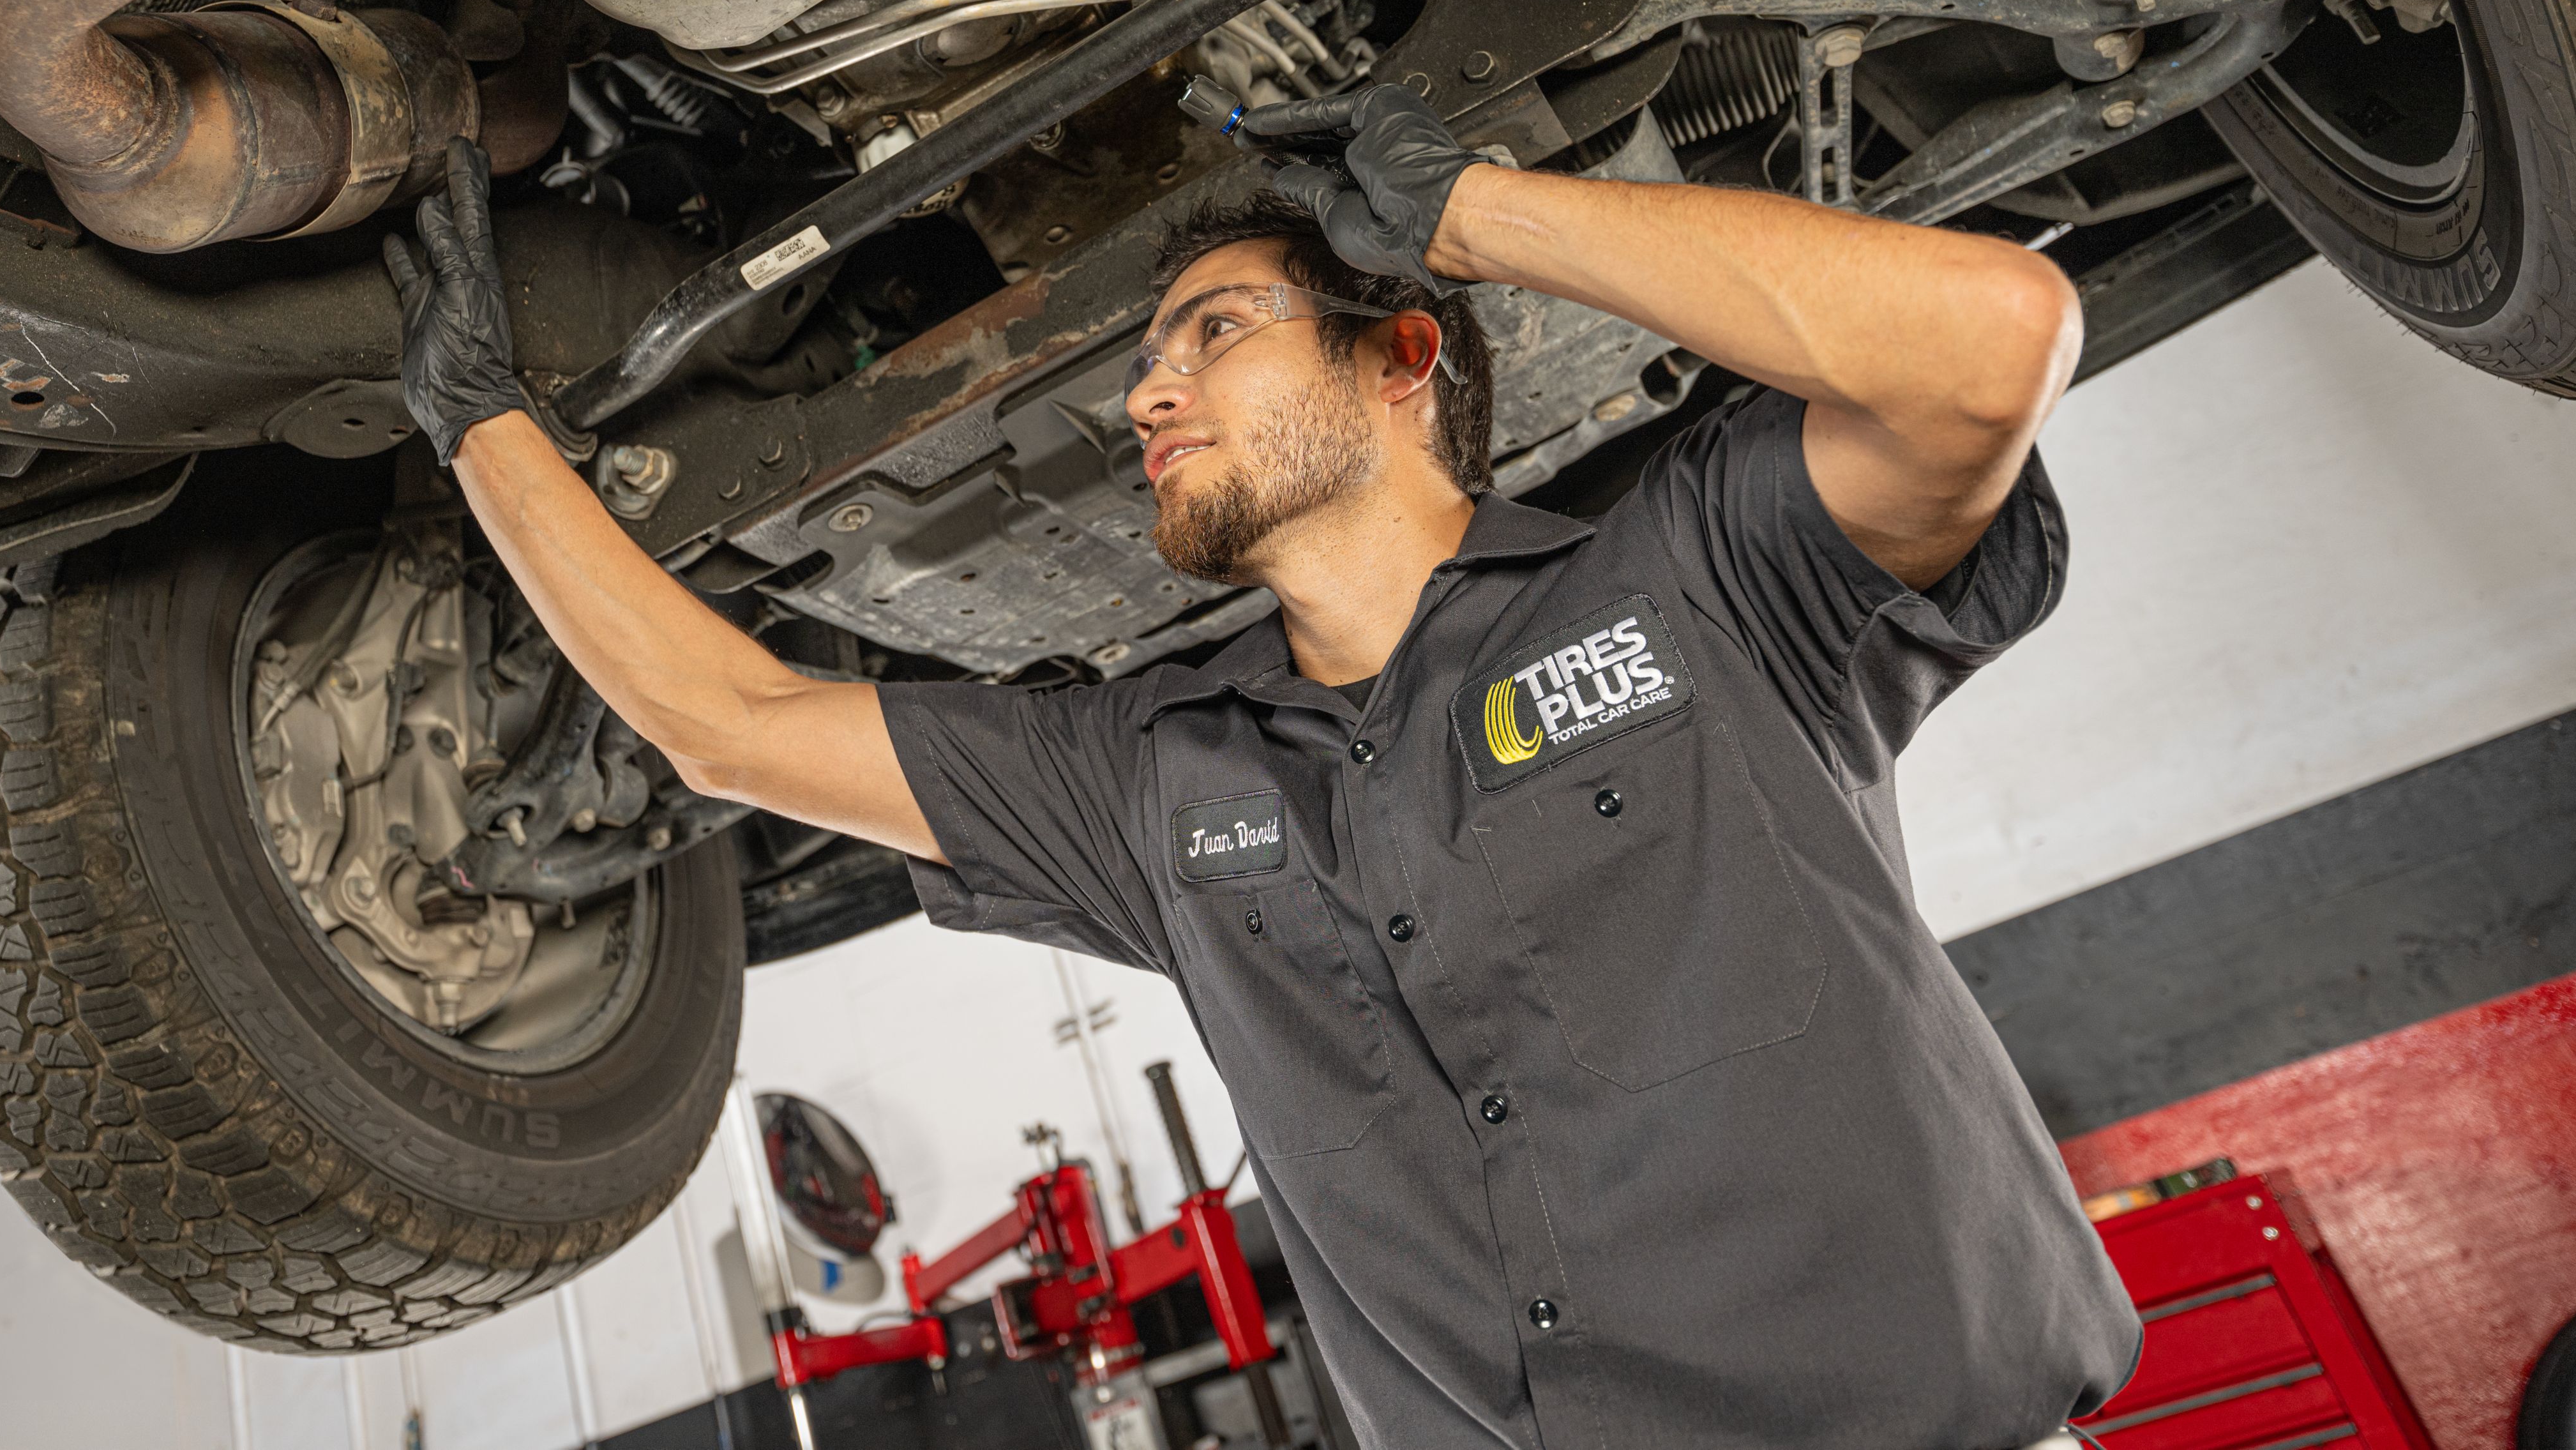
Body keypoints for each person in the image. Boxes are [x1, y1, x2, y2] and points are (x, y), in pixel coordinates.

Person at [387, 85, 2142, 1448]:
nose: (1149, 396)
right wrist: (481, 423)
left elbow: (1994, 341)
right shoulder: (1151, 776)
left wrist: (1467, 206)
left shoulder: (1699, 585)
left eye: (1211, 334)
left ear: (1401, 358)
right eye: (1148, 368)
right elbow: (729, 723)